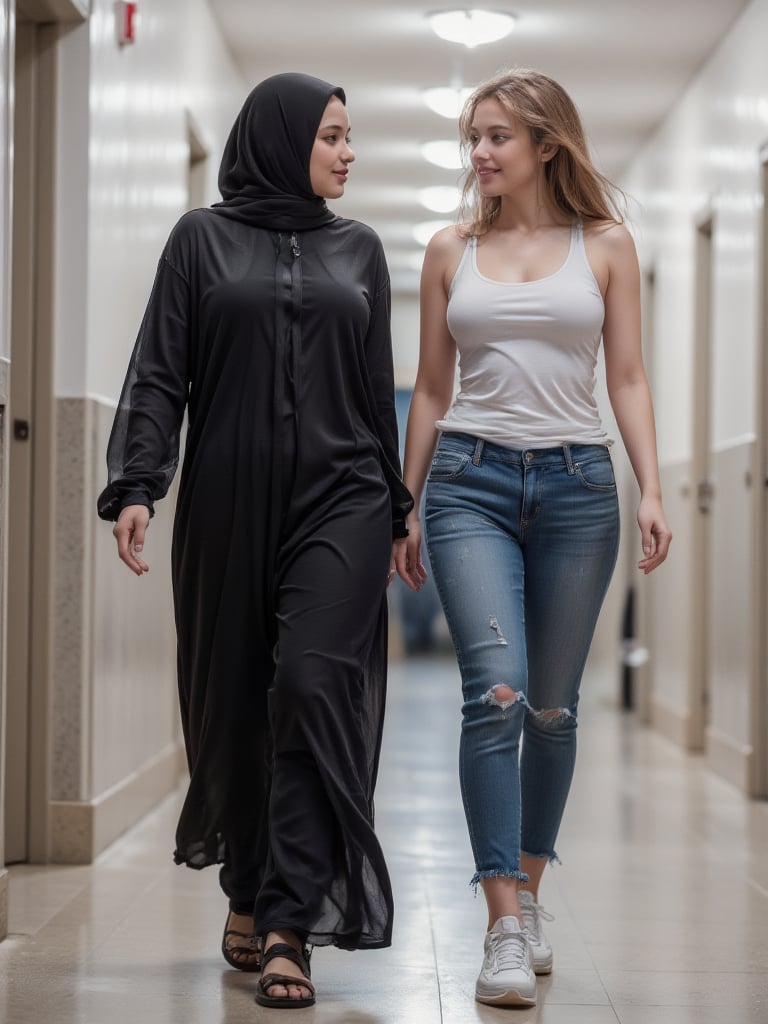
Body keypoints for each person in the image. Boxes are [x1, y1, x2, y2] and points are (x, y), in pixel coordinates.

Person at [97, 72, 413, 1010]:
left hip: (343, 499)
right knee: (233, 700)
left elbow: (373, 390)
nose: (349, 152)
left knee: (315, 688)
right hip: (229, 502)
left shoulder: (361, 249)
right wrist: (138, 482)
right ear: (281, 140)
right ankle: (248, 884)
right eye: (332, 135)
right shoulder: (201, 240)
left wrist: (394, 509)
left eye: (351, 136)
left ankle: (287, 925)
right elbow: (160, 371)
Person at [395, 68, 671, 1008]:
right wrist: (407, 500)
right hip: (469, 483)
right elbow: (431, 390)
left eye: (497, 137)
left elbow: (626, 377)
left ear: (547, 145)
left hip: (578, 487)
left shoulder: (606, 245)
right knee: (496, 693)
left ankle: (533, 889)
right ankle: (503, 924)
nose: (479, 153)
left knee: (552, 707)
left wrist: (651, 489)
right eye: (473, 137)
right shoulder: (448, 250)